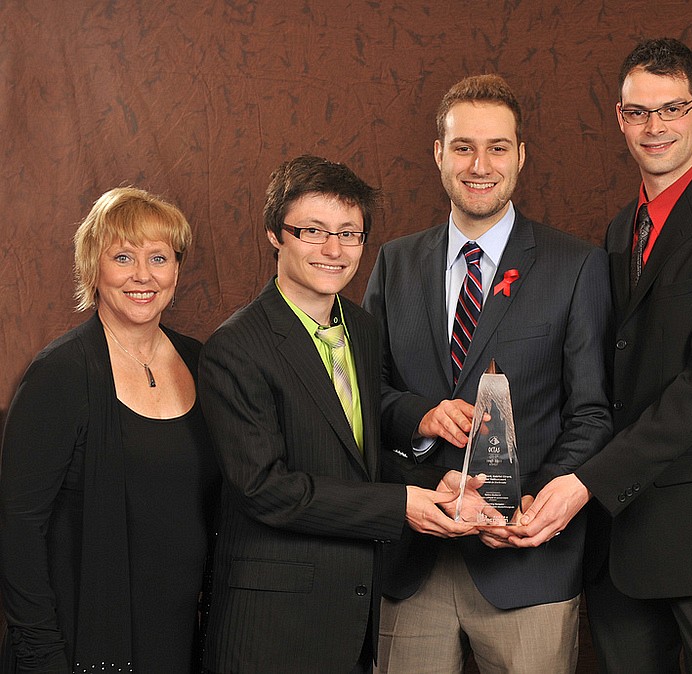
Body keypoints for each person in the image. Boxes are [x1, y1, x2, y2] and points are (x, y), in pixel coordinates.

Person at [504, 38, 692, 673]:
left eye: (672, 108)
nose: (655, 127)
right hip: (621, 538)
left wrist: (586, 481)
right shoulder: (618, 231)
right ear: (619, 117)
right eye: (638, 112)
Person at [362, 74, 613, 673]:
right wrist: (420, 417)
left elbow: (591, 411)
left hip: (526, 562)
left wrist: (535, 503)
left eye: (497, 147)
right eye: (463, 146)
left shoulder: (574, 266)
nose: (480, 164)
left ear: (521, 156)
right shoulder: (396, 262)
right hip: (413, 564)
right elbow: (366, 393)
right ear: (439, 154)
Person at [198, 155, 475, 674]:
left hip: (351, 616)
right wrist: (400, 506)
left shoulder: (363, 330)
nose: (334, 250)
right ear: (274, 235)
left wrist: (441, 485)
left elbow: (357, 461)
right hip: (271, 624)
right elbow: (264, 489)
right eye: (313, 230)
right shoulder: (234, 349)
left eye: (350, 233)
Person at [0, 187, 219, 673]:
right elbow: (17, 529)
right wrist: (42, 656)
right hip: (81, 642)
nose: (143, 275)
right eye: (123, 257)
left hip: (181, 639)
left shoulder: (201, 362)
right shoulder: (58, 374)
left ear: (176, 272)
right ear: (92, 270)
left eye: (159, 258)